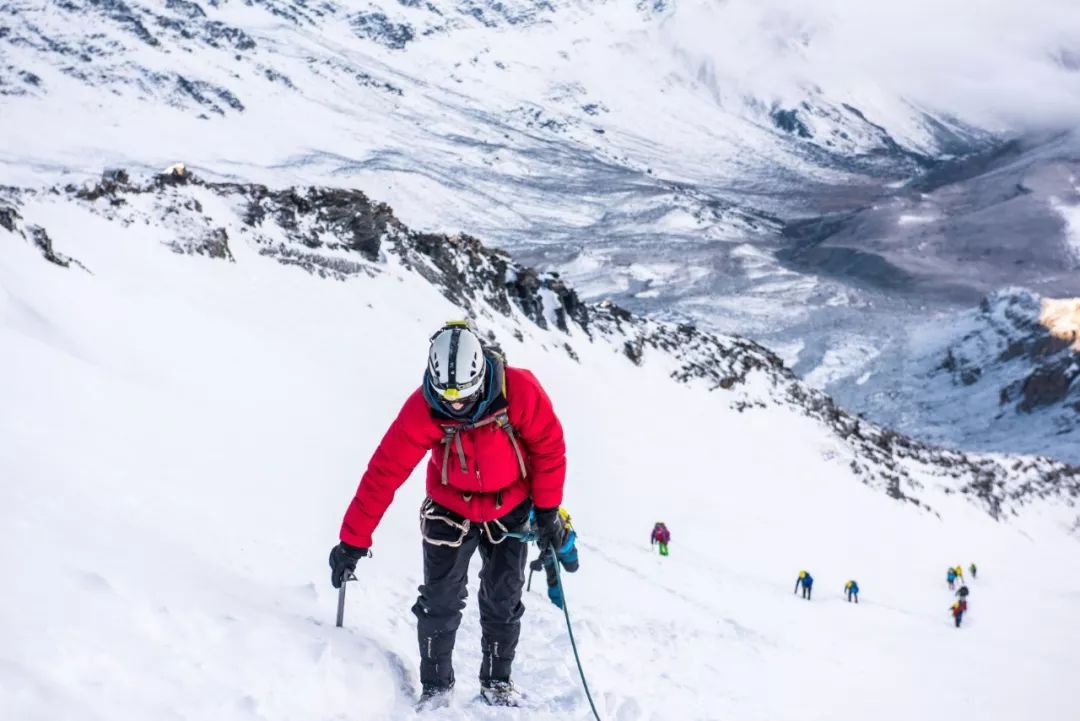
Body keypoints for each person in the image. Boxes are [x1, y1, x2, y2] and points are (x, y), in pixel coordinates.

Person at [328, 321, 567, 708]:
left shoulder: (518, 390)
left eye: (464, 398)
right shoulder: (422, 409)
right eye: (447, 398)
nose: (455, 405)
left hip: (510, 507)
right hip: (450, 507)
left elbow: (549, 447)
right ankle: (437, 687)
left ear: (481, 377)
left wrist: (547, 510)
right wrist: (352, 541)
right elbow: (384, 473)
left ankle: (497, 681)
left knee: (503, 598)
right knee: (440, 598)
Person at [528, 507, 579, 609]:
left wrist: (541, 559)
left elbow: (558, 539)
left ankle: (558, 607)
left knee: (572, 568)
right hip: (548, 551)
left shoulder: (548, 514)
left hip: (565, 548)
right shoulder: (528, 515)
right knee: (553, 580)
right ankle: (558, 608)